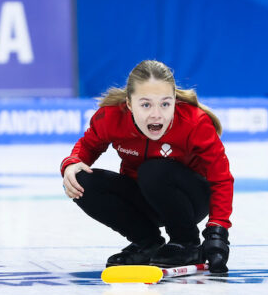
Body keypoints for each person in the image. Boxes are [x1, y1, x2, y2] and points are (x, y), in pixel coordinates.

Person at [61, 59, 233, 272]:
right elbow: (87, 147)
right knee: (80, 179)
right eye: (145, 104)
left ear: (174, 102)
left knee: (153, 170)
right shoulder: (111, 118)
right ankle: (147, 243)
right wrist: (72, 164)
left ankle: (185, 242)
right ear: (129, 104)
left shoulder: (194, 123)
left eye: (165, 104)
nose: (156, 114)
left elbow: (221, 178)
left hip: (190, 201)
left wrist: (217, 232)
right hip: (144, 199)